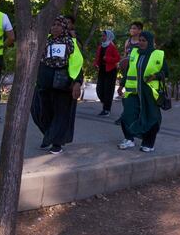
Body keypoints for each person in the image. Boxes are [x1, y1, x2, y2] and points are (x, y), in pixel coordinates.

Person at [30, 16, 83, 154]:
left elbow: (77, 63)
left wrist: (77, 83)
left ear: (64, 27)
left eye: (58, 25)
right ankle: (49, 135)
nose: (54, 27)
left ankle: (56, 143)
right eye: (52, 24)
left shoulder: (70, 43)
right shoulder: (44, 40)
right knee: (40, 112)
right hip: (44, 83)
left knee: (60, 114)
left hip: (62, 85)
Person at [118, 31, 168, 152]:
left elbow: (165, 72)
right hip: (133, 91)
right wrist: (121, 85)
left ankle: (148, 143)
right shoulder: (134, 52)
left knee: (152, 117)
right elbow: (129, 70)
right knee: (127, 115)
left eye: (143, 40)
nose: (140, 42)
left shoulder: (158, 54)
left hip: (149, 92)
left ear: (150, 42)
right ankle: (129, 139)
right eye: (140, 40)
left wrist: (155, 76)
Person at [93, 30, 120, 116]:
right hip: (102, 70)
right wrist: (95, 63)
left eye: (104, 36)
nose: (102, 37)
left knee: (108, 90)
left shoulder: (112, 47)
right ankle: (106, 103)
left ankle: (106, 109)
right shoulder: (100, 46)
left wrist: (107, 58)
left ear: (108, 37)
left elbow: (118, 58)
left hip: (110, 70)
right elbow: (98, 57)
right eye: (102, 36)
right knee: (99, 89)